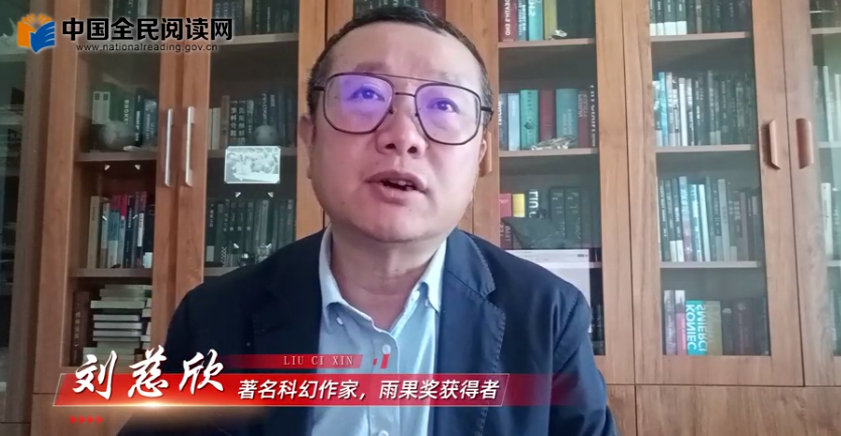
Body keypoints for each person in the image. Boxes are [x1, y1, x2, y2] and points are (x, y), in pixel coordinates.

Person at [117, 6, 617, 436]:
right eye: (363, 96)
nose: (403, 136)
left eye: (443, 104)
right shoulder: (213, 318)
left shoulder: (548, 317)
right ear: (310, 139)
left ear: (482, 156)